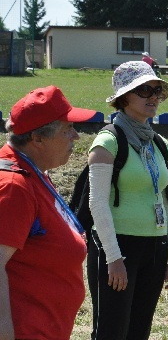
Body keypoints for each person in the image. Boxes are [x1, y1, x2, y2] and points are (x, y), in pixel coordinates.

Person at [87, 61, 168, 340]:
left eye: (156, 90)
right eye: (144, 90)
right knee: (111, 332)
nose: (153, 96)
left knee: (139, 332)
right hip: (117, 248)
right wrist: (114, 258)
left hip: (154, 249)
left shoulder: (161, 145)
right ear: (124, 97)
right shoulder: (108, 142)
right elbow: (97, 204)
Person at [0, 86, 96, 340]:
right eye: (67, 129)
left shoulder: (32, 171)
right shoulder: (13, 186)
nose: (76, 136)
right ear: (38, 139)